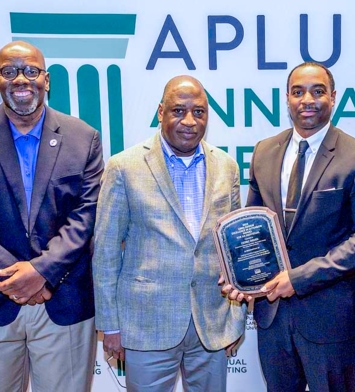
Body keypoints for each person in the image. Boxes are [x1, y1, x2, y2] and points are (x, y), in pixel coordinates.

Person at [0, 41, 103, 391]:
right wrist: (16, 276)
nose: (21, 80)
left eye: (30, 70)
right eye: (9, 71)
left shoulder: (83, 138)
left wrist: (42, 271)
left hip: (62, 302)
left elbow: (86, 216)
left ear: (46, 79)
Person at [224, 62, 355, 391]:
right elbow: (253, 226)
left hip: (330, 318)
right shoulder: (264, 152)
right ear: (287, 98)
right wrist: (238, 272)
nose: (307, 99)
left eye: (317, 91)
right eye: (298, 92)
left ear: (333, 98)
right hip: (272, 316)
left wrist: (298, 279)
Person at [92, 75, 246, 392]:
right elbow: (105, 252)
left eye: (199, 112)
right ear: (161, 112)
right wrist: (110, 325)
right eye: (178, 110)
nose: (189, 121)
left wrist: (235, 319)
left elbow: (234, 251)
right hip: (147, 323)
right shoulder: (124, 167)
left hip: (211, 322)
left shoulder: (226, 166)